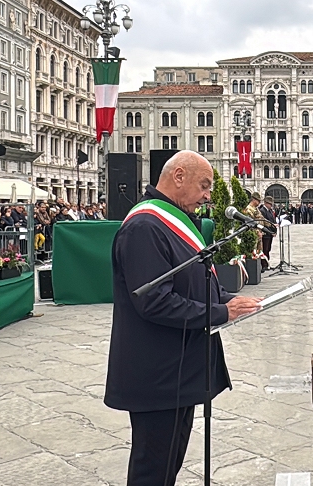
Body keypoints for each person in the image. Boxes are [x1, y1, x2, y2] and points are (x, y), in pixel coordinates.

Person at [105, 150, 261, 486]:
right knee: (153, 471)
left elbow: (191, 283)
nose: (208, 195)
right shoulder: (145, 226)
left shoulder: (171, 222)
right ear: (179, 176)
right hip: (157, 374)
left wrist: (231, 302)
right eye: (204, 185)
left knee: (168, 466)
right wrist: (220, 312)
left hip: (178, 371)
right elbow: (154, 301)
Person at [259, 196, 277, 269]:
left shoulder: (270, 211)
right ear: (266, 203)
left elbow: (272, 221)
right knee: (265, 249)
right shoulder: (262, 211)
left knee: (268, 249)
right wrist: (270, 231)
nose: (271, 205)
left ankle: (267, 263)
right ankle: (264, 265)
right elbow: (264, 223)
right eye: (270, 204)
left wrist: (274, 231)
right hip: (265, 234)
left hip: (270, 234)